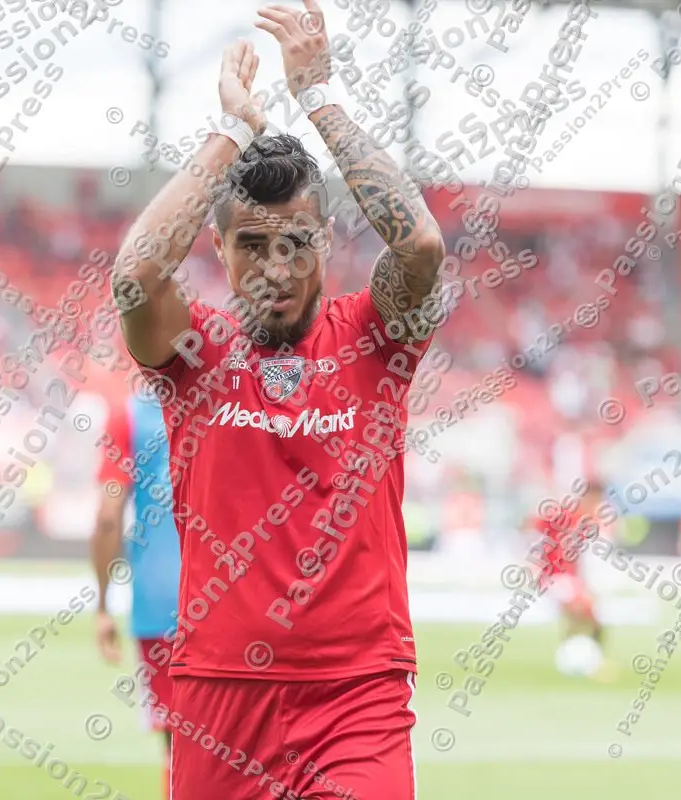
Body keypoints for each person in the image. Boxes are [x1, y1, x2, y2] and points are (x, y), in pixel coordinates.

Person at [110, 2, 448, 796]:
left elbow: (421, 244)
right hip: (219, 696)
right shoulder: (192, 353)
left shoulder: (375, 338)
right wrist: (230, 131)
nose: (277, 264)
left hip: (356, 693)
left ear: (326, 241)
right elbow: (133, 277)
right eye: (254, 244)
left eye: (297, 240)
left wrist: (319, 94)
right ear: (219, 249)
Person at [91, 386, 181, 800]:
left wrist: (103, 606)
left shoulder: (129, 415)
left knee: (178, 747)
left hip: (158, 600)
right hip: (235, 596)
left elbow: (109, 514)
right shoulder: (231, 398)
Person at [532, 482, 611, 678]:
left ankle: (587, 657)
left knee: (588, 616)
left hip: (570, 578)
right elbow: (535, 528)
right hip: (554, 577)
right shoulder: (564, 515)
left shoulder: (586, 521)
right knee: (583, 612)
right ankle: (586, 658)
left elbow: (581, 554)